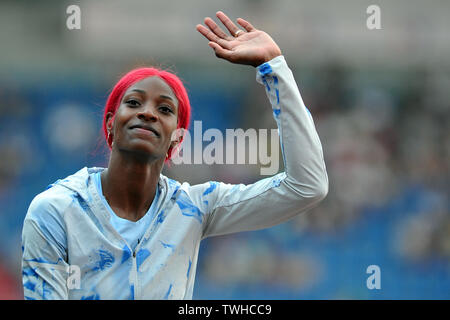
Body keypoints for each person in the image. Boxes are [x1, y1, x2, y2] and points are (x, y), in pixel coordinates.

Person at [21, 11, 328, 300]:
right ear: (110, 124)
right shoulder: (56, 211)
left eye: (165, 109)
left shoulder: (194, 208)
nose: (147, 113)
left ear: (176, 140)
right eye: (134, 103)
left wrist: (275, 69)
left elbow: (306, 187)